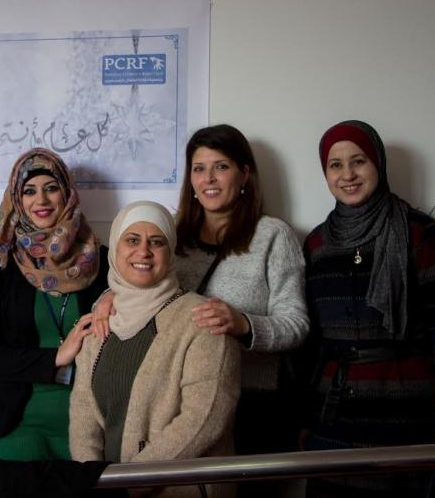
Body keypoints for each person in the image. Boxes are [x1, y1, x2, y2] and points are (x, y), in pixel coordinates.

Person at [93, 125, 309, 464]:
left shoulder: (273, 235)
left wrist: (244, 324)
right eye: (199, 169)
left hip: (253, 407)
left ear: (244, 174)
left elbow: (296, 324)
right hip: (174, 404)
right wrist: (107, 297)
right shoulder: (171, 233)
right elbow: (136, 275)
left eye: (221, 166)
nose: (209, 178)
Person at [299, 120, 435, 497]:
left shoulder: (424, 236)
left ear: (377, 163)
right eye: (335, 165)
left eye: (358, 161)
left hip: (408, 421)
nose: (348, 174)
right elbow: (313, 344)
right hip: (334, 425)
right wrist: (304, 421)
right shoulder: (316, 244)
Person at [70, 200, 240, 498]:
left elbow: (204, 418)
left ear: (170, 252)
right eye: (132, 240)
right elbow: (83, 415)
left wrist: (129, 484)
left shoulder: (203, 319)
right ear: (115, 248)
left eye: (157, 242)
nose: (144, 251)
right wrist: (92, 482)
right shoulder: (101, 321)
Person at [0, 147, 108, 461]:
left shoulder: (101, 261)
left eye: (51, 188)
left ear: (67, 193)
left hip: (87, 423)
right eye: (29, 191)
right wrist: (54, 358)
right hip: (16, 423)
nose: (40, 200)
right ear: (17, 199)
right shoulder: (1, 263)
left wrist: (114, 294)